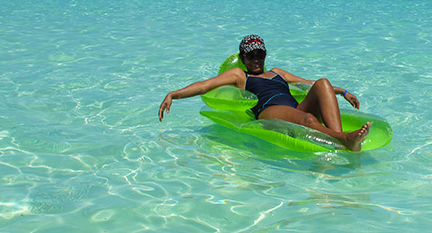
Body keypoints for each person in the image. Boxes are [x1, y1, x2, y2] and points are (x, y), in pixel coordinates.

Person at [158, 35, 371, 151]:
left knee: (324, 82)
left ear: (266, 54)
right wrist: (173, 94)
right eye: (251, 56)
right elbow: (206, 85)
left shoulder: (277, 72)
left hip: (292, 108)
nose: (256, 59)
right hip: (269, 111)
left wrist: (344, 92)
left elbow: (309, 84)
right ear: (243, 58)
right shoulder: (240, 75)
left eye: (260, 54)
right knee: (307, 118)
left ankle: (344, 142)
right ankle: (344, 139)